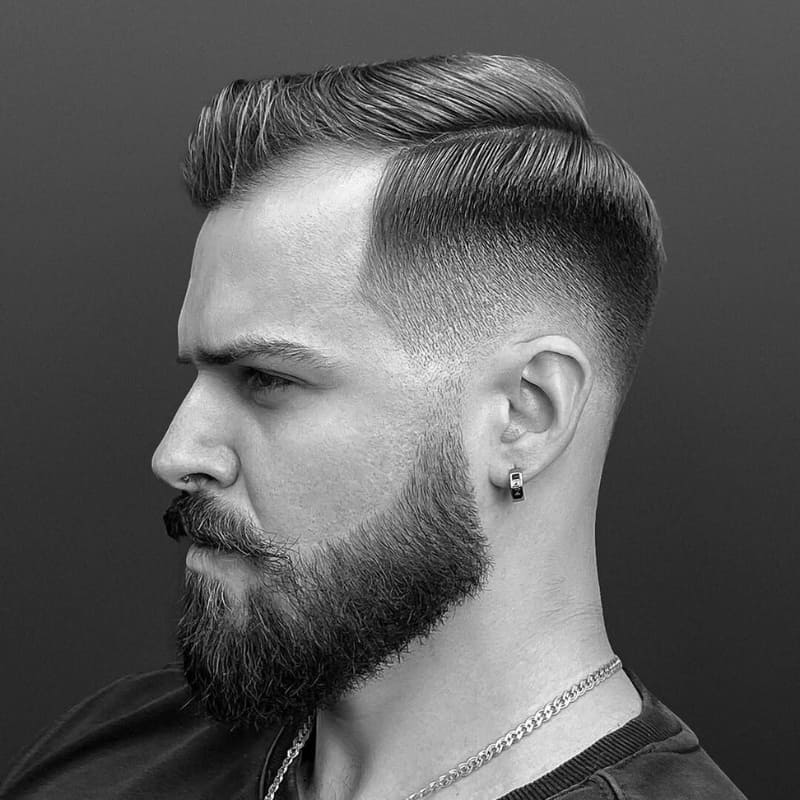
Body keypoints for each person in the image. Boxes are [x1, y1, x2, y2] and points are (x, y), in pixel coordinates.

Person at [0, 53, 747, 800]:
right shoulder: (108, 751)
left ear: (525, 414)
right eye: (195, 373)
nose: (176, 454)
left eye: (267, 378)